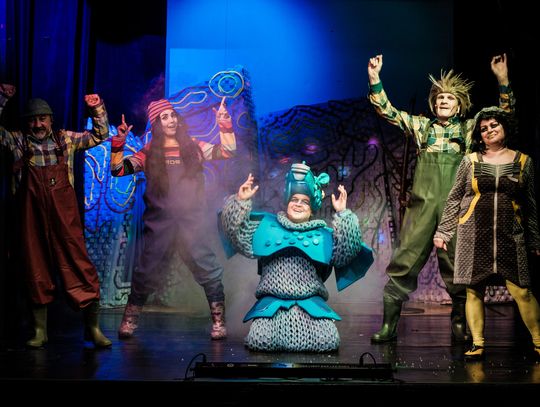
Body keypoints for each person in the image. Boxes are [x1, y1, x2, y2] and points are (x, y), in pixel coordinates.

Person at [367, 53, 514, 343]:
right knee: (404, 261)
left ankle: (460, 324)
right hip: (421, 207)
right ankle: (389, 327)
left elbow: (503, 117)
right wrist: (374, 78)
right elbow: (387, 111)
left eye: (449, 98)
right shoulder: (422, 128)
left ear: (459, 105)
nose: (443, 101)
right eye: (439, 98)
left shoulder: (469, 129)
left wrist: (503, 79)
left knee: (457, 265)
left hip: (455, 209)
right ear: (434, 104)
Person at [112, 97, 236, 340]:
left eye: (172, 115)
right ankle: (129, 319)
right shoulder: (148, 152)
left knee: (207, 267)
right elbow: (118, 170)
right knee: (146, 271)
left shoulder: (193, 146)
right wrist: (119, 142)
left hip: (192, 221)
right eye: (164, 117)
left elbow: (227, 151)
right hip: (160, 223)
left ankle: (219, 321)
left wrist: (224, 122)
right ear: (156, 125)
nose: (170, 120)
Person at [0, 83, 112, 348]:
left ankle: (93, 329)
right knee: (35, 268)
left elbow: (100, 135)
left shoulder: (66, 140)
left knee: (79, 265)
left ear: (51, 119)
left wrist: (96, 108)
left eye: (42, 118)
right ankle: (40, 331)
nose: (38, 124)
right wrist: (2, 98)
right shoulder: (17, 141)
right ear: (26, 122)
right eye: (33, 120)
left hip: (64, 219)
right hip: (31, 219)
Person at [220, 162, 374, 352]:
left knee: (327, 341)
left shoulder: (322, 235)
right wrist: (240, 201)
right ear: (287, 201)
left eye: (305, 201)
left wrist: (343, 214)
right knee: (260, 340)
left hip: (310, 306)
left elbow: (346, 252)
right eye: (294, 199)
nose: (298, 204)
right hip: (272, 305)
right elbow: (236, 235)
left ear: (312, 208)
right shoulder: (267, 227)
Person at [434, 106, 540, 360]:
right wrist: (443, 232)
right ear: (479, 135)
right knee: (473, 291)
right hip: (472, 235)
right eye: (484, 128)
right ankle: (478, 343)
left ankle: (539, 341)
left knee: (522, 291)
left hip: (510, 235)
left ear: (504, 127)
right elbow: (454, 198)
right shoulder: (470, 161)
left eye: (494, 125)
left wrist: (534, 239)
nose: (489, 130)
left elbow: (530, 204)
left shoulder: (523, 162)